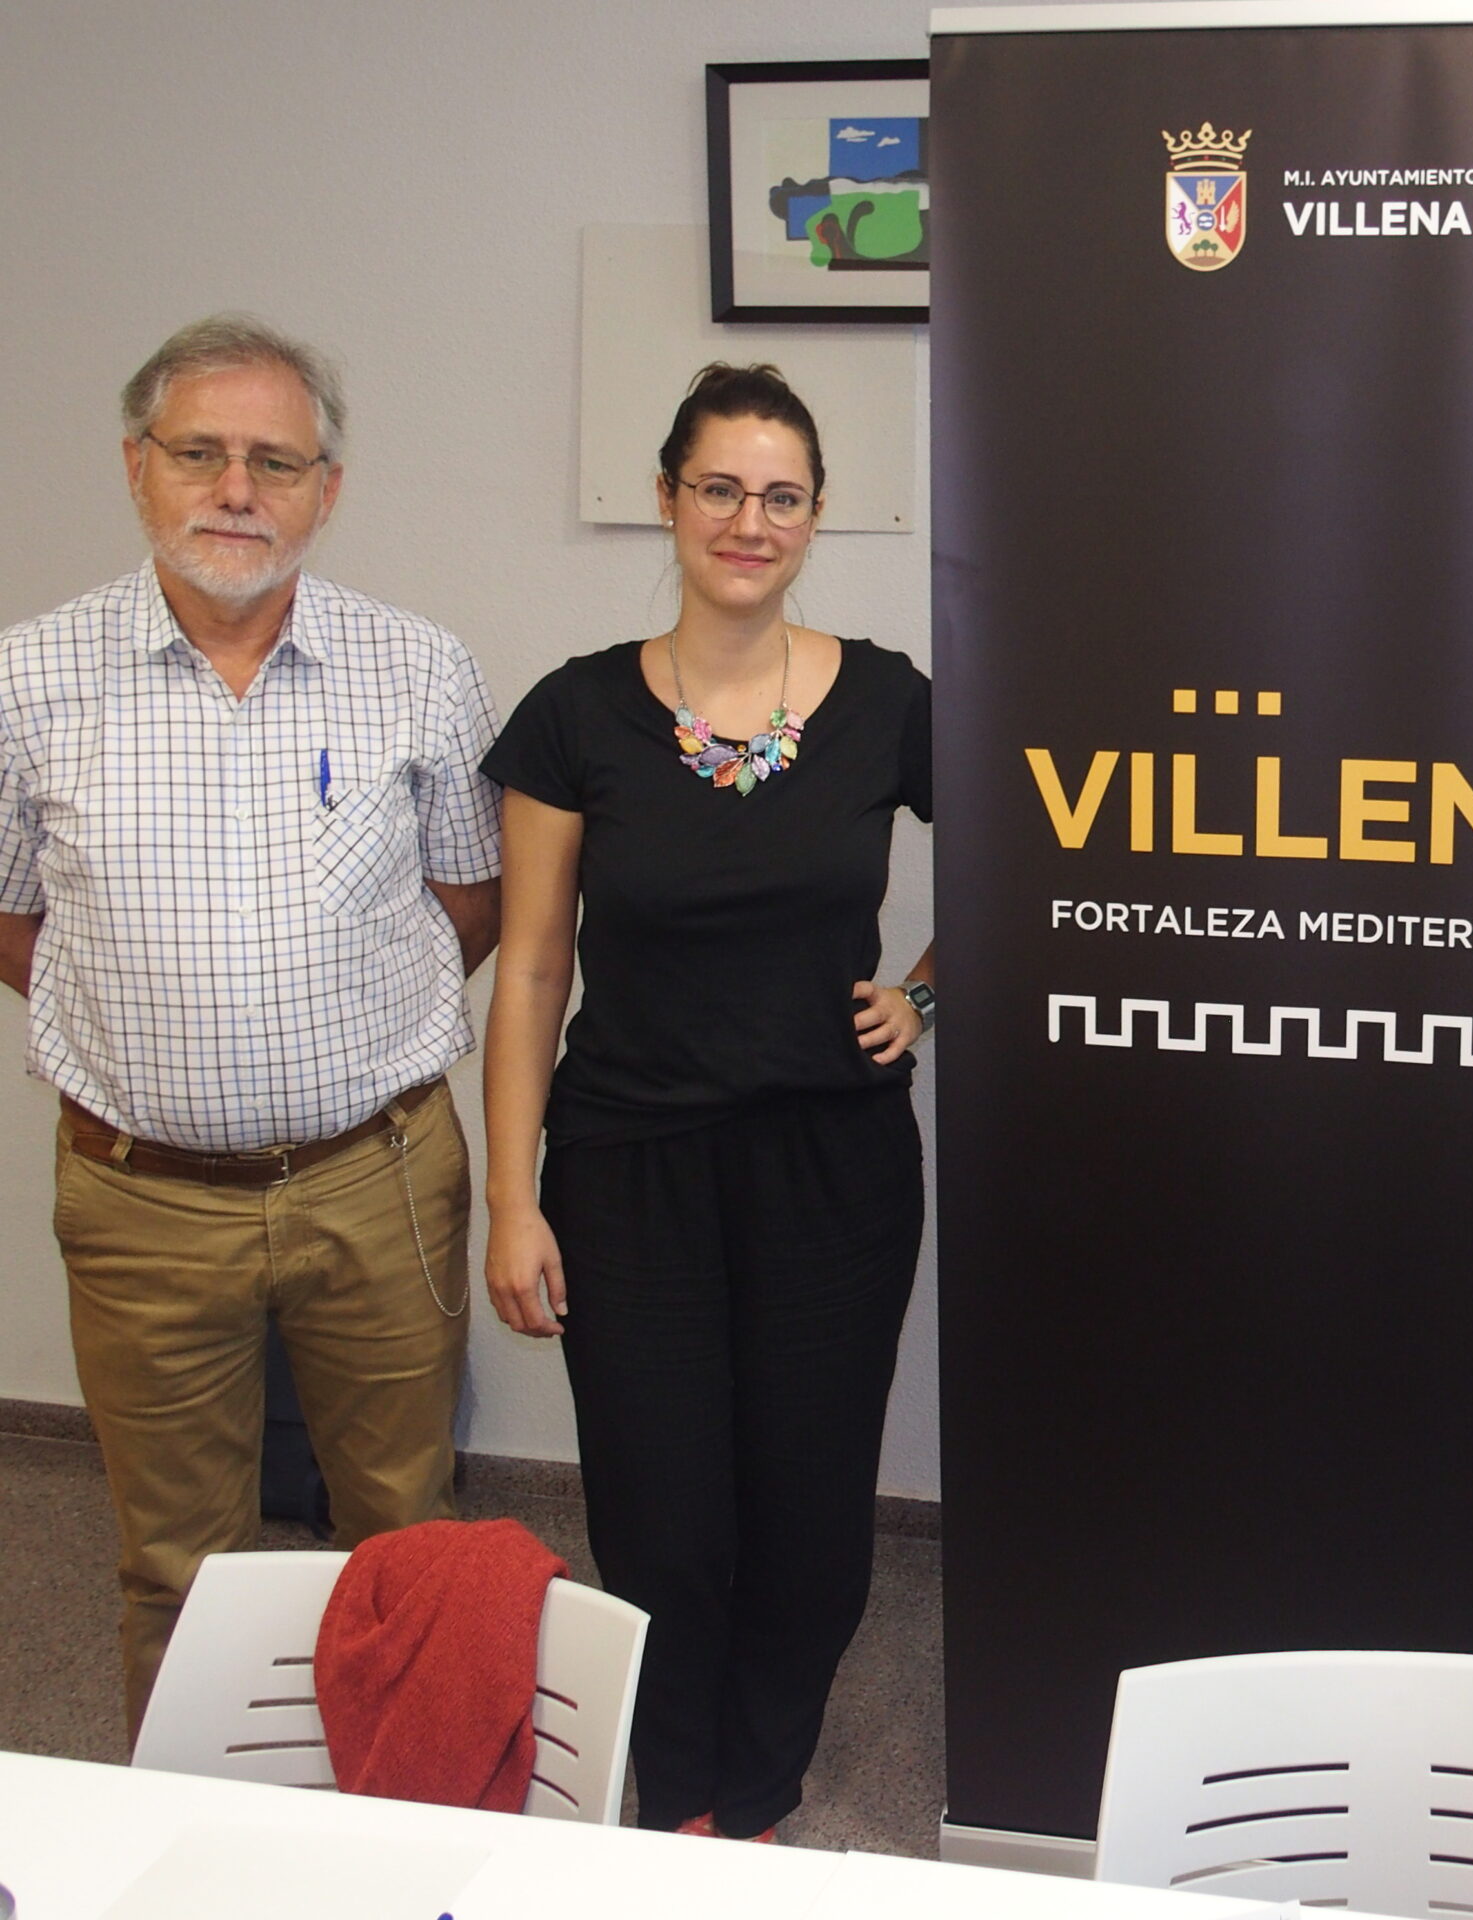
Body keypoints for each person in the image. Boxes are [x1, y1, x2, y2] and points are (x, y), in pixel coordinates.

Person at [0, 314, 502, 1739]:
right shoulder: (29, 679)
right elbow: (12, 915)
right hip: (139, 1200)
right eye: (200, 453)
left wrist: (328, 1024)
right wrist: (150, 1019)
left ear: (326, 490)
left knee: (406, 1534)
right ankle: (200, 1825)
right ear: (136, 467)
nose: (237, 490)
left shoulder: (418, 668)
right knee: (177, 1568)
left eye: (275, 462)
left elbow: (471, 903)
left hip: (378, 1179)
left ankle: (404, 1823)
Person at [480, 362, 933, 1840]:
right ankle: (679, 1805)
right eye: (721, 488)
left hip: (833, 1172)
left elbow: (1038, 852)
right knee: (662, 1522)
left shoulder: (888, 701)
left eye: (782, 496)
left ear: (818, 515)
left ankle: (760, 1796)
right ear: (668, 498)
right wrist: (511, 1200)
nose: (751, 521)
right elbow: (531, 970)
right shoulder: (575, 715)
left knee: (810, 1524)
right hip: (630, 1171)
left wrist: (927, 994)